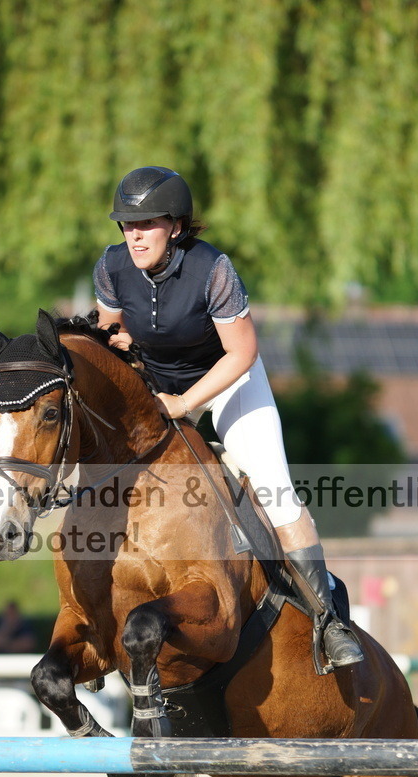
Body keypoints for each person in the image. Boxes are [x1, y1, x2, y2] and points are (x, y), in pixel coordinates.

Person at [93, 165, 363, 670]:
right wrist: (116, 345)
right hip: (157, 385)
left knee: (275, 493)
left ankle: (329, 622)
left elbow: (240, 351)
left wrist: (184, 403)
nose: (134, 235)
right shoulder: (111, 266)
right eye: (127, 225)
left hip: (228, 382)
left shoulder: (212, 268)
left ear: (175, 226)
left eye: (146, 224)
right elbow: (108, 331)